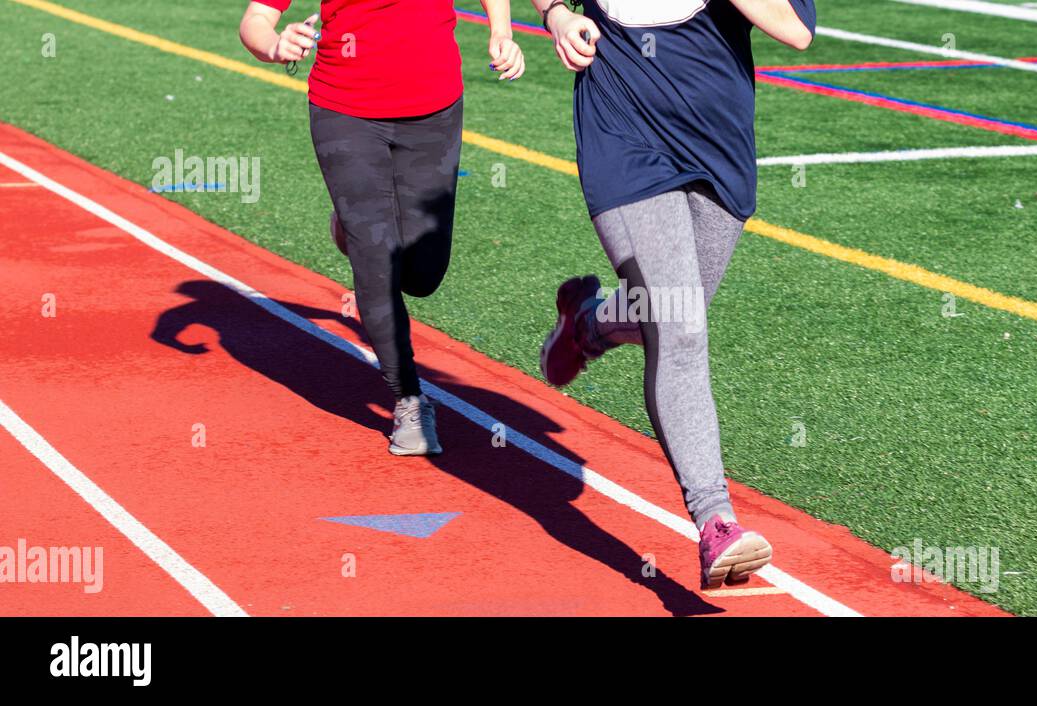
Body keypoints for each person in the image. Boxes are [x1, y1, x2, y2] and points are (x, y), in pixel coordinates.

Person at [533, 0, 815, 589]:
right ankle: (717, 522)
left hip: (718, 146)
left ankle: (589, 325)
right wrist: (557, 14)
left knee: (668, 316)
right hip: (622, 133)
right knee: (681, 328)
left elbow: (795, 30)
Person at [239, 0, 525, 455]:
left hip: (435, 108)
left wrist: (502, 31)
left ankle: (352, 229)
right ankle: (409, 400)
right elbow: (255, 20)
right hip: (343, 108)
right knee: (377, 258)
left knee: (423, 274)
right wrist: (274, 45)